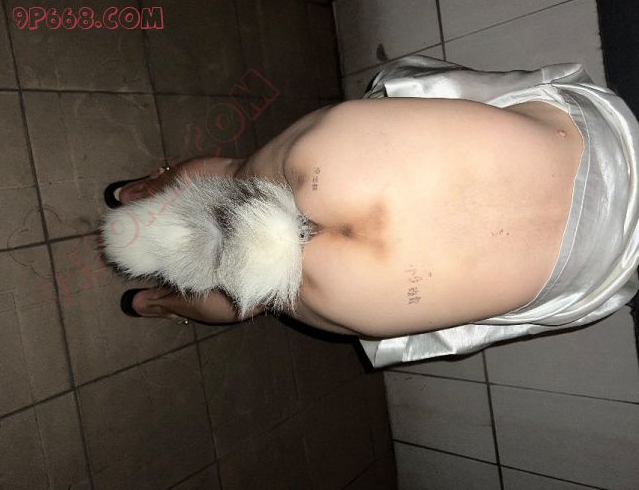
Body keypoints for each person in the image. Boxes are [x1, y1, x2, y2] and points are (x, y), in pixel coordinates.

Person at [100, 55, 639, 367]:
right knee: (250, 290)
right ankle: (158, 303)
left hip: (352, 164)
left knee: (234, 176)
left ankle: (142, 192)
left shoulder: (612, 119)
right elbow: (482, 326)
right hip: (380, 285)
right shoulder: (612, 287)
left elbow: (451, 88)